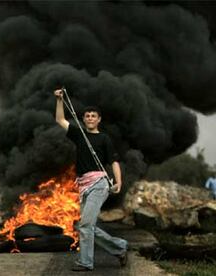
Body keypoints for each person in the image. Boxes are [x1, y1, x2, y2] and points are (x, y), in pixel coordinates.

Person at [54, 88, 128, 272]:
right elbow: (60, 120)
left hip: (99, 184)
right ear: (84, 118)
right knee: (84, 225)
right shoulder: (79, 134)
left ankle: (85, 262)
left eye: (93, 116)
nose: (90, 118)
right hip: (84, 185)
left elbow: (114, 161)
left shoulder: (104, 139)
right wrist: (59, 100)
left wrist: (118, 182)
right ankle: (119, 247)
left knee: (85, 225)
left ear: (99, 119)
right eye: (87, 116)